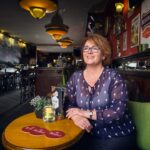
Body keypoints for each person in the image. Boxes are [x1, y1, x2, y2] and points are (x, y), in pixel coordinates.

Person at [65, 34, 137, 150]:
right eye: (86, 48)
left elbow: (117, 112)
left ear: (104, 55)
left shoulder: (114, 77)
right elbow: (68, 104)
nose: (89, 51)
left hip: (115, 134)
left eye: (95, 48)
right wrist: (75, 117)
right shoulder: (75, 77)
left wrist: (83, 113)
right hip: (84, 133)